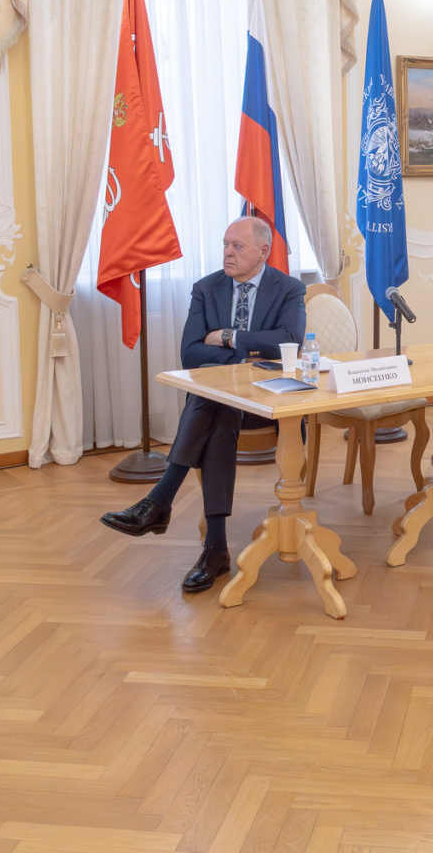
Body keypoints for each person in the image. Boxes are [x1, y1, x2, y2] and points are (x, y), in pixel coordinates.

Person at [100, 217, 307, 591]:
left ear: (264, 251)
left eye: (237, 246)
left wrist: (228, 336)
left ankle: (163, 502)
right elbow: (191, 353)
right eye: (225, 244)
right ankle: (214, 549)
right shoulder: (207, 288)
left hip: (268, 402)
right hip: (223, 403)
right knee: (217, 408)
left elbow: (290, 339)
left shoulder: (289, 288)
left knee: (209, 398)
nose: (227, 253)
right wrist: (246, 356)